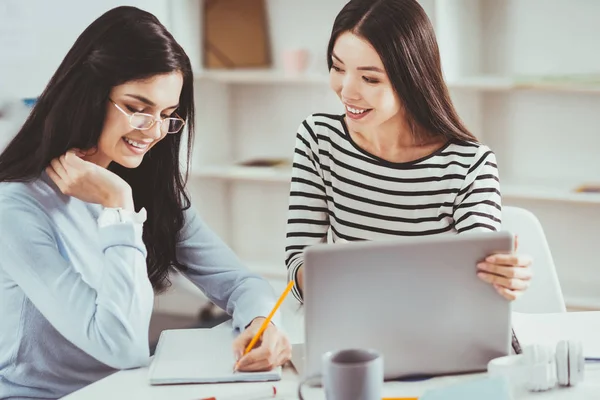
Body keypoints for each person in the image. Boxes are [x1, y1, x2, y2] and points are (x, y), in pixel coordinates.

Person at [0, 6, 290, 399]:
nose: (153, 132)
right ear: (87, 94)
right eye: (137, 109)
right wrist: (117, 206)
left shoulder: (149, 186)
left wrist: (261, 322)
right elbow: (121, 346)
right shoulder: (16, 208)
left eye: (167, 115)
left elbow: (240, 282)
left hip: (125, 390)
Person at [285, 0, 533, 303]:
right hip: (350, 331)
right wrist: (323, 279)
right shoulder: (319, 140)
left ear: (411, 79)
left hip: (438, 333)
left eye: (370, 78)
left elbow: (477, 276)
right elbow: (297, 262)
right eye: (338, 67)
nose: (346, 90)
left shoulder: (470, 165)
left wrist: (499, 277)